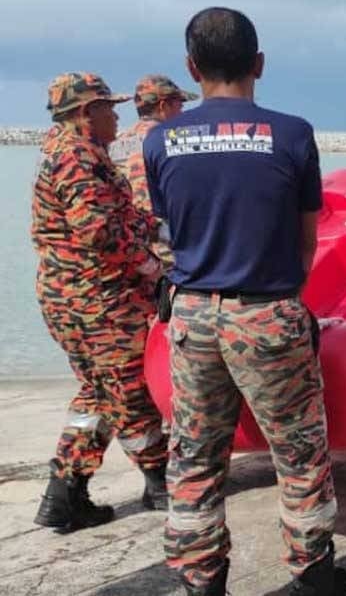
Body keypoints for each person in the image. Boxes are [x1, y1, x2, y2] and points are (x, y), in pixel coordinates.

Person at [144, 8, 345, 596]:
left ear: (191, 68)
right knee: (300, 454)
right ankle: (314, 577)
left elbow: (173, 231)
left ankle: (201, 582)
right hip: (268, 310)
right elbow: (307, 239)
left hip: (192, 315)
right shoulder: (293, 134)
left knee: (196, 458)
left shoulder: (160, 141)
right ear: (259, 64)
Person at [32, 72, 169, 532]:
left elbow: (119, 218)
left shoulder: (81, 153)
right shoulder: (74, 157)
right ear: (85, 113)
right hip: (97, 300)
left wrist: (157, 229)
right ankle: (160, 483)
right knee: (131, 391)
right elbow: (101, 233)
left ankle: (65, 493)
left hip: (77, 296)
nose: (116, 116)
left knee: (97, 392)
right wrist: (154, 268)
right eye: (108, 107)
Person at [109, 75, 198, 269]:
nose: (182, 113)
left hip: (129, 248)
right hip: (167, 248)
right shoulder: (175, 139)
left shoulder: (115, 143)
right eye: (179, 106)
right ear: (163, 106)